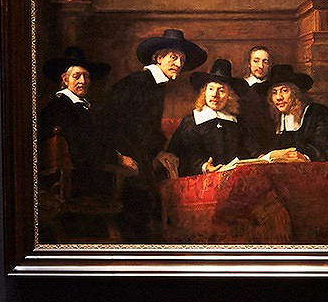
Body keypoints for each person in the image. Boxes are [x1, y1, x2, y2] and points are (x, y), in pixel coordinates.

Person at [106, 28, 207, 238]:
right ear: (159, 58)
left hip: (139, 154)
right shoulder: (138, 83)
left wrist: (159, 152)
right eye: (173, 57)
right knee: (140, 202)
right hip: (122, 157)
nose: (179, 64)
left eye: (182, 59)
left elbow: (147, 129)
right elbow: (118, 125)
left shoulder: (155, 85)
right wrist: (120, 156)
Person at [37, 46, 114, 197]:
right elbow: (83, 143)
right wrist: (116, 158)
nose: (83, 81)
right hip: (72, 179)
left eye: (86, 76)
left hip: (81, 173)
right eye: (77, 76)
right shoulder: (60, 107)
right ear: (65, 80)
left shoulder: (80, 106)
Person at [166, 59, 254, 176]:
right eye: (211, 89)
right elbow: (182, 156)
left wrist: (262, 156)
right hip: (201, 179)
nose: (215, 95)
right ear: (204, 92)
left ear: (229, 96)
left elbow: (251, 148)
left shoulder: (237, 122)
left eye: (221, 90)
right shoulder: (191, 122)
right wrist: (204, 167)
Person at [260, 64, 328, 163]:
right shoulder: (279, 119)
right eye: (274, 93)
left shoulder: (317, 114)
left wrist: (305, 156)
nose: (279, 97)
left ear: (296, 93)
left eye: (284, 91)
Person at [236, 44, 275, 150]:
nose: (260, 66)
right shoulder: (238, 86)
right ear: (249, 64)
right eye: (256, 61)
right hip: (244, 142)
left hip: (270, 141)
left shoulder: (274, 88)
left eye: (265, 62)